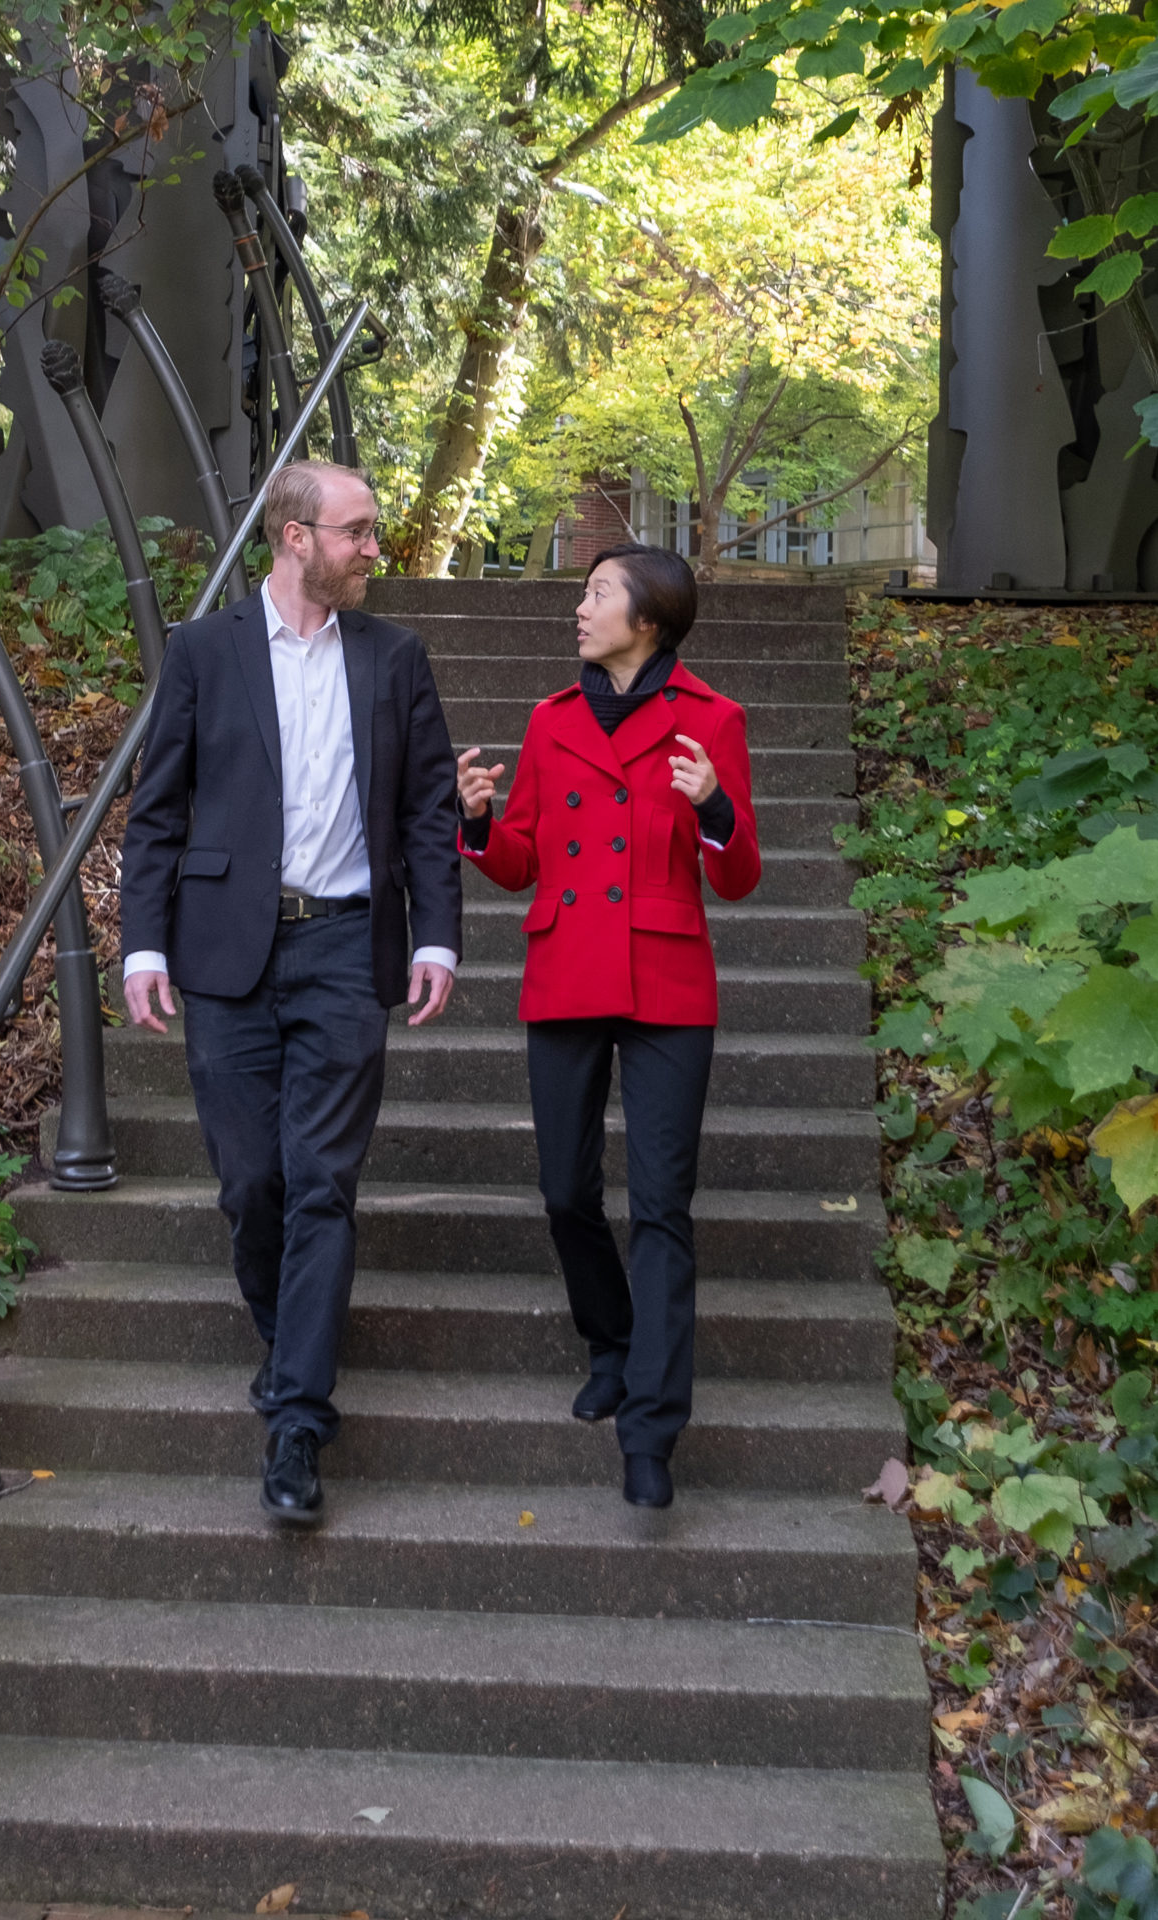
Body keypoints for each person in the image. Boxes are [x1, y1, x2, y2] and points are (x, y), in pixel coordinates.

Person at [120, 460, 461, 1527]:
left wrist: (439, 937)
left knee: (322, 1184)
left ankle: (298, 1421)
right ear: (293, 537)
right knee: (251, 1185)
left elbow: (428, 810)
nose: (374, 550)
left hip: (348, 947)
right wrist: (141, 948)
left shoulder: (396, 657)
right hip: (225, 955)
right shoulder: (204, 653)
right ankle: (290, 1342)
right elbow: (156, 814)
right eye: (356, 532)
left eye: (372, 533)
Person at [456, 542, 761, 1509]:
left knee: (663, 1208)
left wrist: (712, 806)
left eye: (595, 594)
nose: (578, 610)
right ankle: (611, 1341)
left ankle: (652, 1429)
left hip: (667, 974)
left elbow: (739, 876)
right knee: (562, 1192)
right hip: (567, 966)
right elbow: (520, 862)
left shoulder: (712, 722)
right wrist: (476, 821)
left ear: (650, 618)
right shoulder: (549, 723)